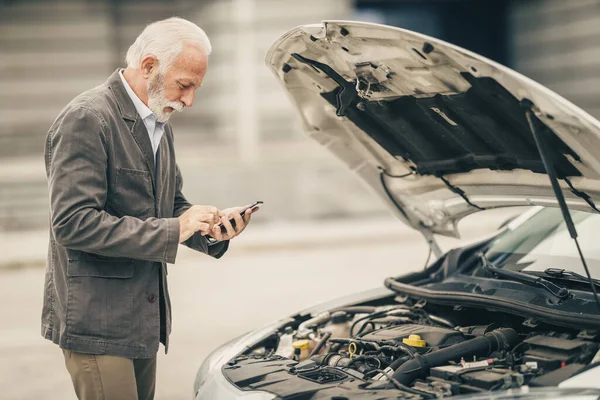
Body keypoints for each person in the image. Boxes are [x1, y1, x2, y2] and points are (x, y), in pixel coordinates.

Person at [41, 17, 255, 400]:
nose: (189, 100)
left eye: (195, 88)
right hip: (98, 324)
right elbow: (73, 224)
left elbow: (170, 204)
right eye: (184, 85)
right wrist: (177, 228)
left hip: (141, 320)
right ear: (149, 65)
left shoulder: (159, 120)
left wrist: (209, 228)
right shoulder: (87, 117)